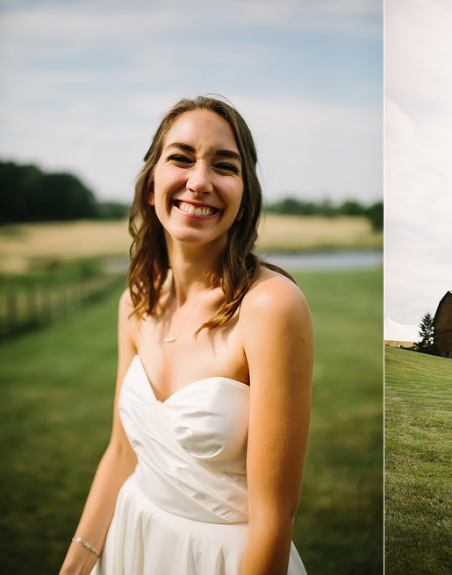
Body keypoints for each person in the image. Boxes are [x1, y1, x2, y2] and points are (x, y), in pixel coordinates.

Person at [60, 96, 313, 575]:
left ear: (245, 197)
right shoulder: (134, 302)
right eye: (180, 157)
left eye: (224, 165)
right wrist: (76, 564)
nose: (199, 182)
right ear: (151, 182)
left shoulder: (271, 307)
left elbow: (272, 518)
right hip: (130, 541)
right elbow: (120, 453)